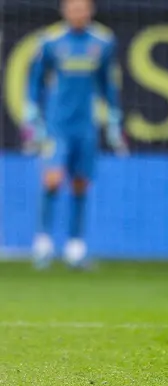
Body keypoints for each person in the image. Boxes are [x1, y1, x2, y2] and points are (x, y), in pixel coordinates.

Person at [22, 0, 128, 269]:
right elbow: (35, 79)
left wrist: (114, 118)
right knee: (53, 180)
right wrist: (32, 111)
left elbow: (107, 83)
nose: (78, 13)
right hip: (57, 125)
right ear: (64, 10)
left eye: (83, 8)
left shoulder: (103, 41)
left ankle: (75, 247)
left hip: (86, 126)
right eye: (73, 8)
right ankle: (43, 243)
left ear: (90, 11)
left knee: (80, 183)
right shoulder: (51, 40)